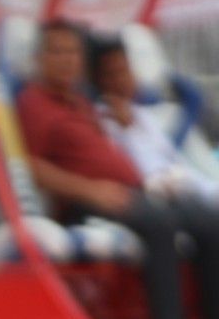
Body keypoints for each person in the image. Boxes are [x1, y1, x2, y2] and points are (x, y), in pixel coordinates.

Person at [19, 21, 219, 319]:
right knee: (161, 223)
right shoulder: (33, 104)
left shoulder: (81, 102)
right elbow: (31, 167)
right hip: (86, 203)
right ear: (39, 58)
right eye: (57, 51)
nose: (67, 60)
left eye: (73, 52)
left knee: (209, 219)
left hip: (132, 193)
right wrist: (90, 190)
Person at [92, 39, 219, 206]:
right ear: (98, 80)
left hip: (197, 193)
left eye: (125, 70)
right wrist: (127, 130)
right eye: (112, 74)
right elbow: (152, 177)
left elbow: (176, 162)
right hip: (168, 203)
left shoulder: (142, 114)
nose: (122, 79)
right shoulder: (99, 121)